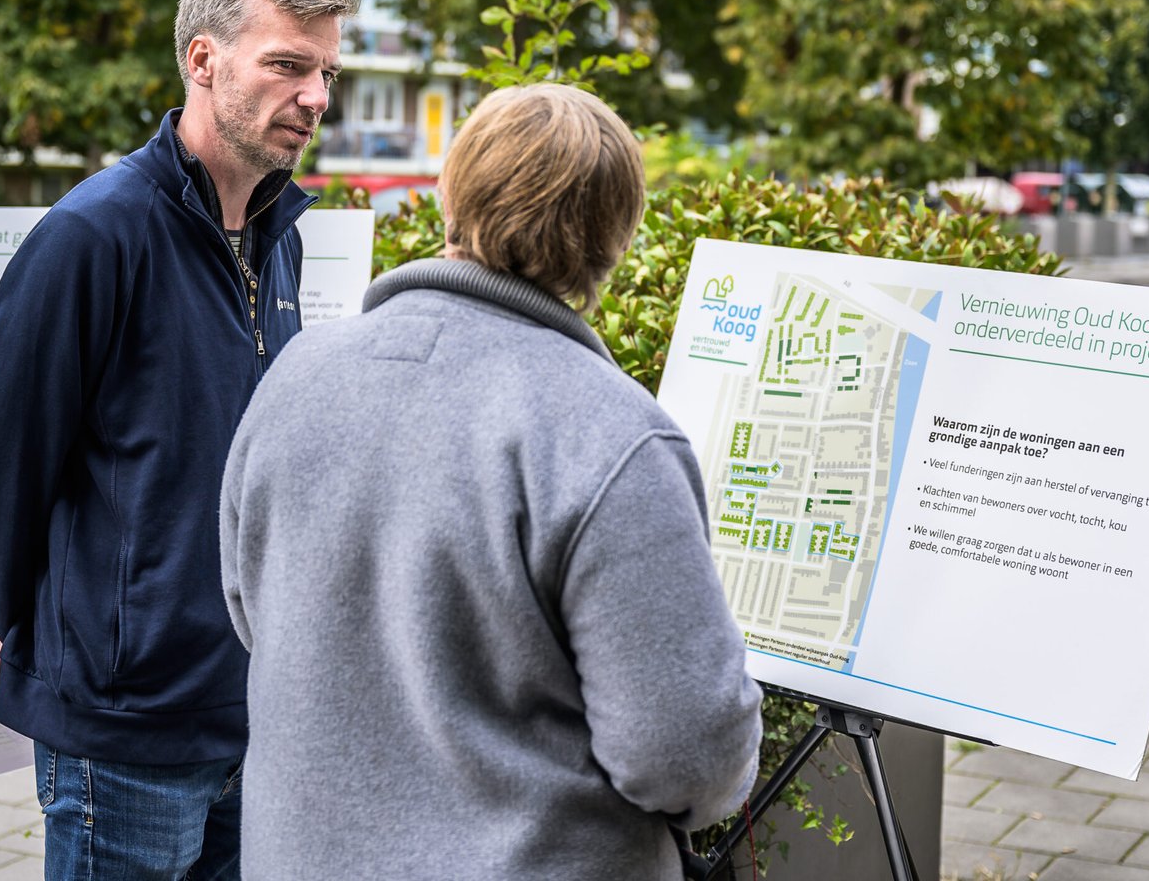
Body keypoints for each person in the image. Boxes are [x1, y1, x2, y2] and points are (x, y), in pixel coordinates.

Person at [219, 84, 764, 879]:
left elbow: (251, 613)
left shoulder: (297, 375)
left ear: (452, 195)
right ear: (617, 232)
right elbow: (684, 750)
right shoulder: (608, 432)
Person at [0, 0, 353, 880]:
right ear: (203, 61)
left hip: (251, 713)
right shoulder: (92, 235)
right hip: (123, 731)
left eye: (327, 71)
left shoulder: (278, 237)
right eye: (287, 65)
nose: (316, 96)